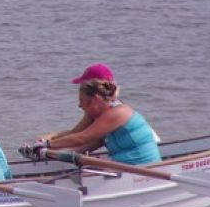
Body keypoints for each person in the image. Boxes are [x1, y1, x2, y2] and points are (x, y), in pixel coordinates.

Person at [31, 63, 161, 166]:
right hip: (123, 163)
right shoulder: (100, 111)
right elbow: (80, 136)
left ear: (95, 98)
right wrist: (50, 145)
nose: (79, 105)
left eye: (82, 100)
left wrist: (47, 145)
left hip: (142, 166)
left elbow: (81, 138)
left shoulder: (117, 112)